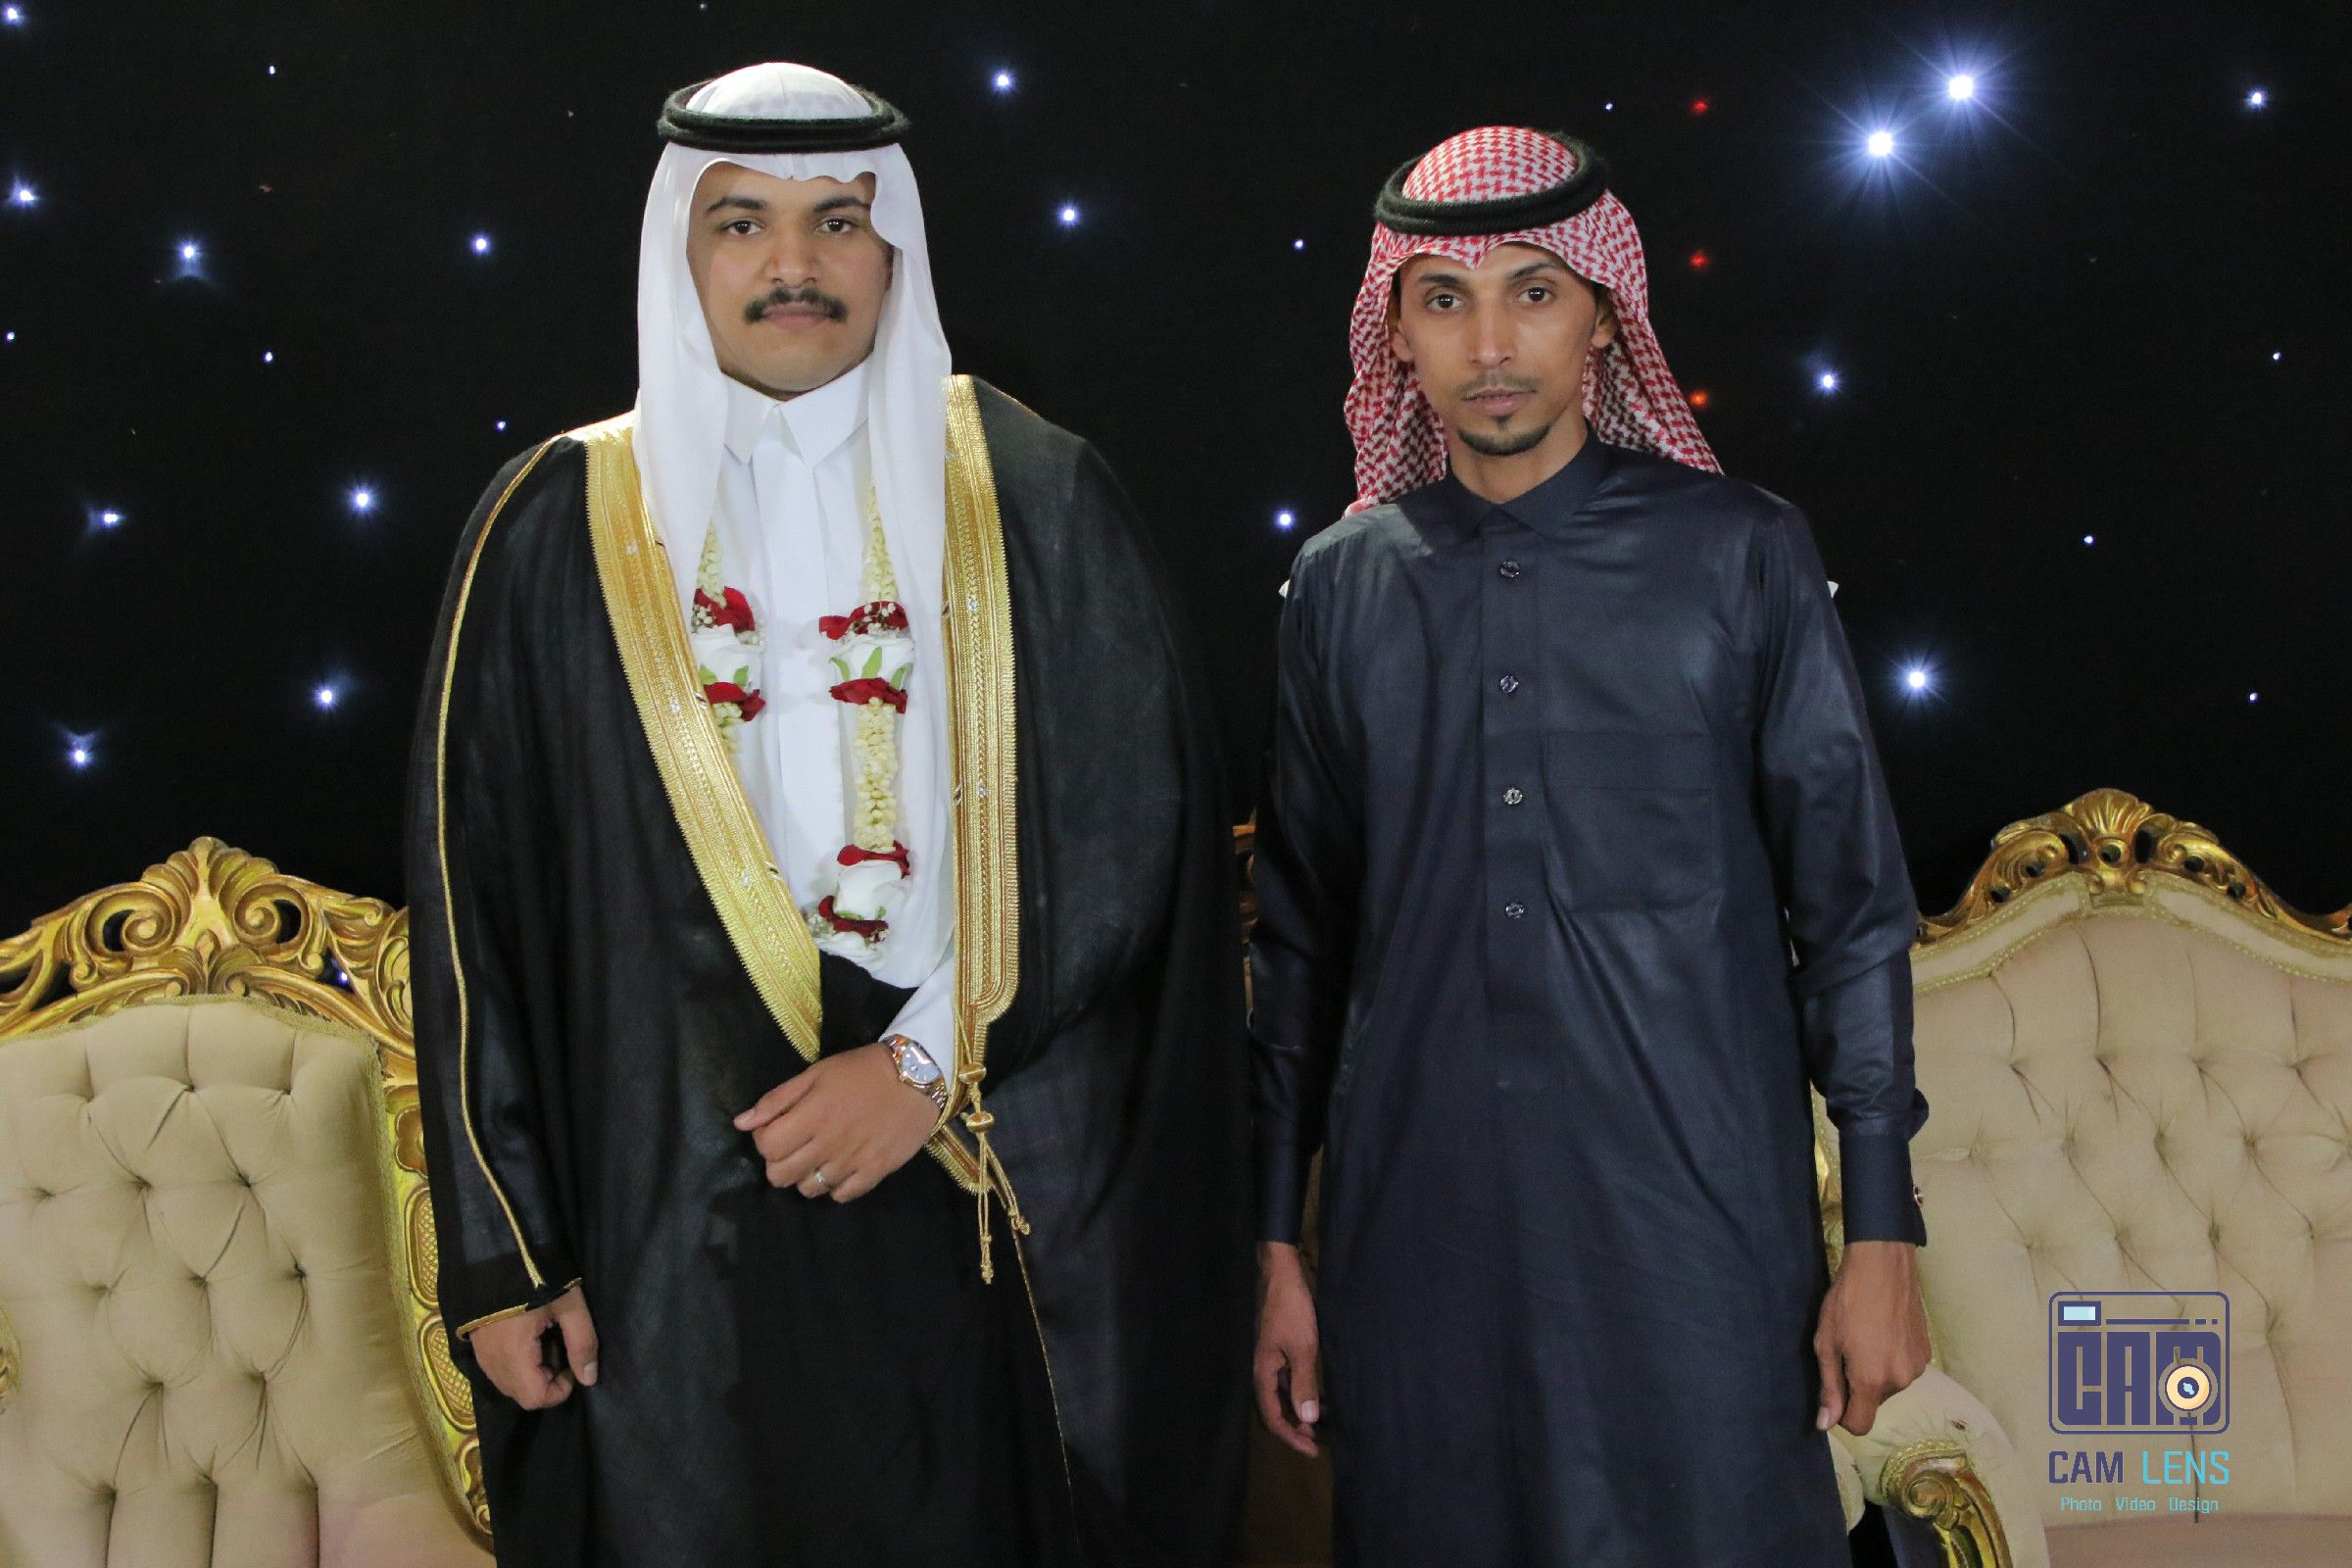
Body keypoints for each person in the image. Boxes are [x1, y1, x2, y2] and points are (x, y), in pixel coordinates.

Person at [406, 62, 1250, 1567]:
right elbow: (476, 911)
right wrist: (508, 1256)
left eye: (837, 221)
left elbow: (1134, 830)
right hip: (664, 1198)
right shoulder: (554, 522)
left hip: (974, 1166)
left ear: (892, 245)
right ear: (683, 248)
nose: (792, 263)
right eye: (743, 222)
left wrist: (929, 1056)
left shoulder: (1037, 493)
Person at [1247, 125, 1933, 1565]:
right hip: (1419, 1242)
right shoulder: (1340, 587)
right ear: (1396, 333)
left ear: (1605, 314)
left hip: (1694, 1234)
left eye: (1534, 292)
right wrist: (1277, 1252)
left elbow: (1853, 916)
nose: (1491, 344)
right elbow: (1299, 945)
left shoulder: (1740, 553)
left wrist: (1882, 1237)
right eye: (1445, 299)